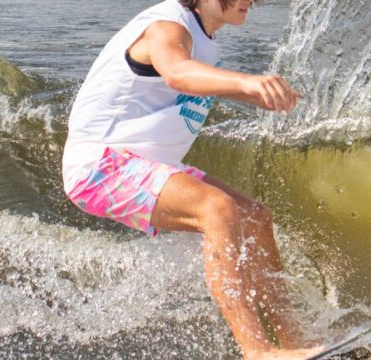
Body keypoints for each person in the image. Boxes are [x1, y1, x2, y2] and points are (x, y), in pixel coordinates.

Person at [62, 0, 323, 358]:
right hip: (100, 166)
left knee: (255, 218)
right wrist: (248, 81)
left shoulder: (203, 35)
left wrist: (252, 94)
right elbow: (177, 73)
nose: (254, 1)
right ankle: (258, 351)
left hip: (145, 163)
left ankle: (292, 340)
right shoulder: (168, 27)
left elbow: (192, 80)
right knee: (216, 208)